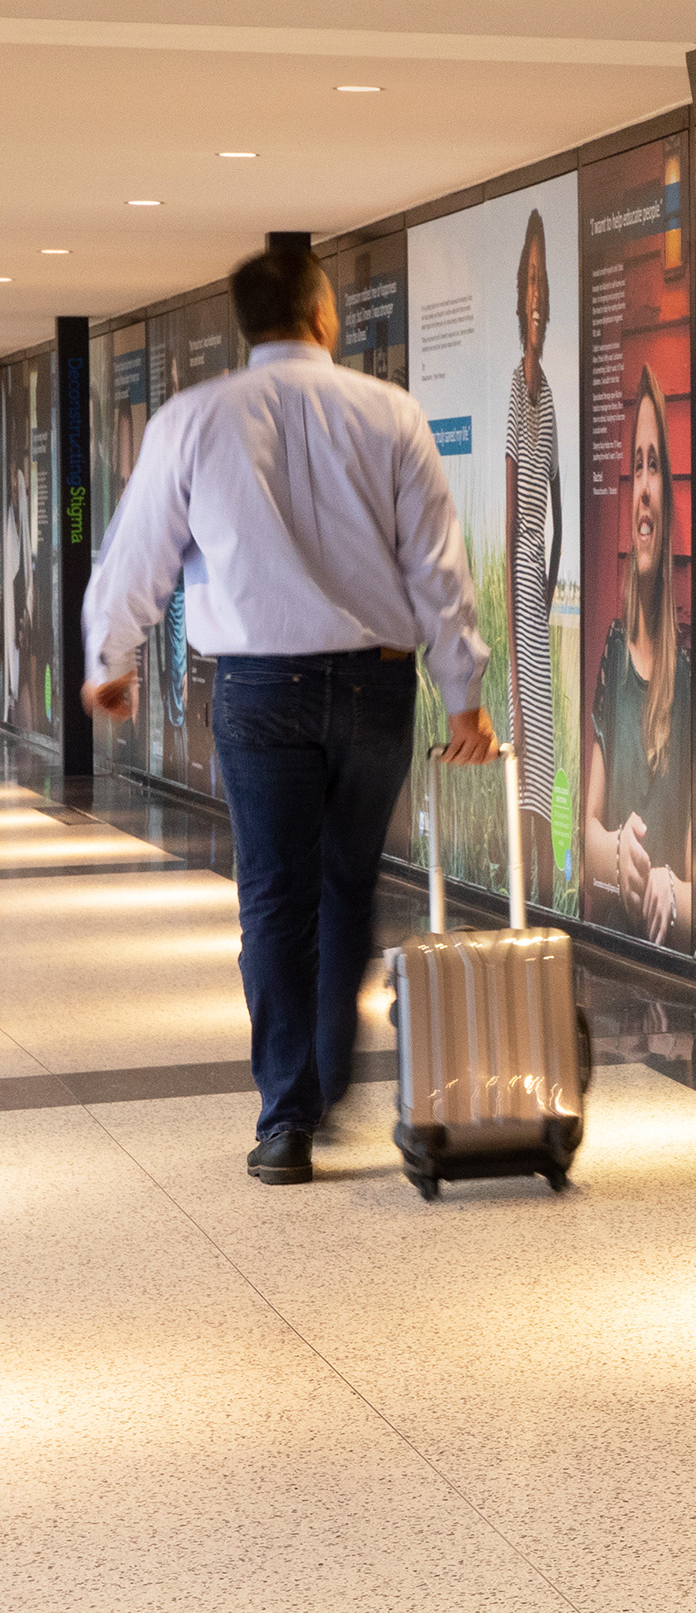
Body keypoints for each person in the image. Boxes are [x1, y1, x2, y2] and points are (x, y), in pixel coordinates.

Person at [82, 246, 496, 1184]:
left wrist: (113, 658)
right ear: (324, 315)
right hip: (376, 685)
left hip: (260, 690)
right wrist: (464, 696)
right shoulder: (391, 413)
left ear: (247, 324)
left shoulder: (196, 417)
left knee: (274, 893)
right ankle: (333, 1073)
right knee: (348, 877)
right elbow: (441, 566)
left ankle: (286, 1120)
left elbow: (137, 550)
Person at [578, 365, 686, 946]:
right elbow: (585, 833)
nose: (643, 484)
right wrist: (616, 850)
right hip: (613, 957)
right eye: (636, 466)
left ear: (666, 500)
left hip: (677, 990)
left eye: (654, 466)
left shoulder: (690, 681)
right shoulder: (612, 656)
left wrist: (672, 886)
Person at [504, 213, 562, 898]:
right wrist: (528, 583)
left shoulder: (544, 389)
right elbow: (518, 492)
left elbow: (553, 494)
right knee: (527, 721)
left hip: (537, 578)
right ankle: (533, 880)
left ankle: (544, 883)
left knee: (541, 732)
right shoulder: (519, 391)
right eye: (530, 282)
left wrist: (549, 584)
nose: (538, 297)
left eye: (543, 281)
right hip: (521, 572)